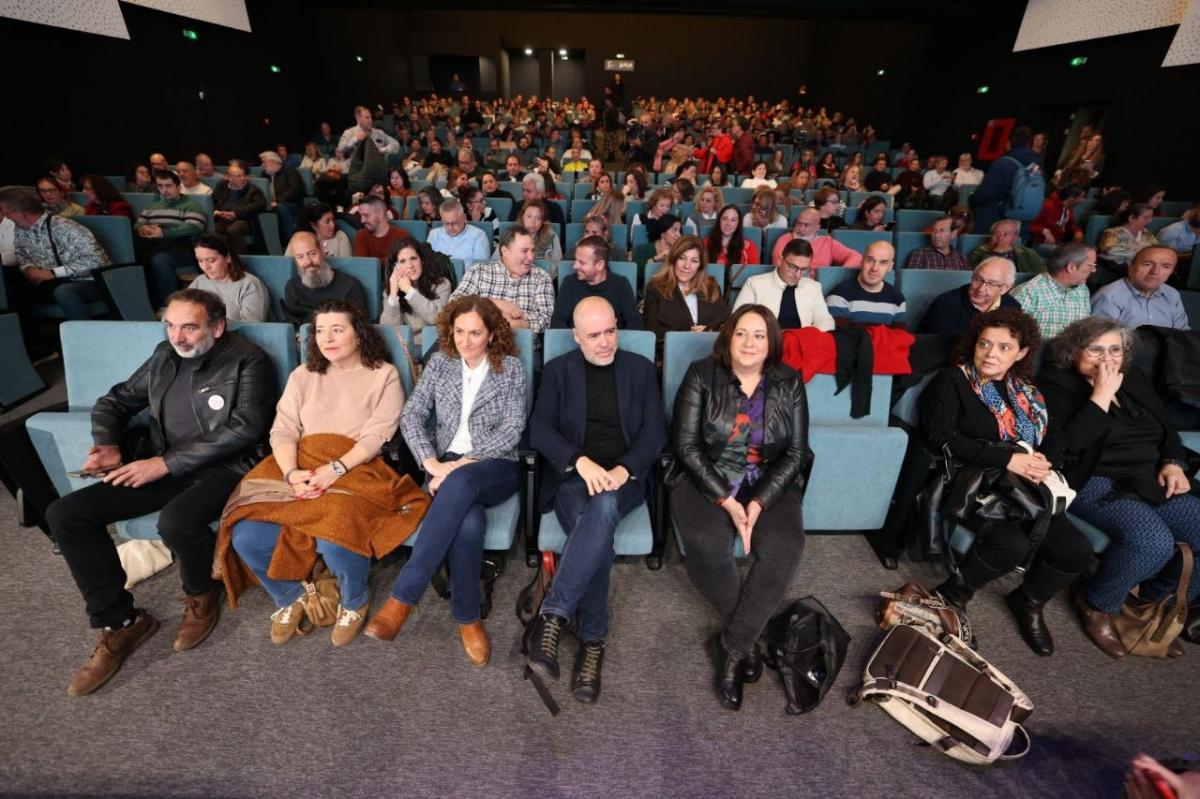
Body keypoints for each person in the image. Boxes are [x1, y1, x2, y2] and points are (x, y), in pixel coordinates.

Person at [44, 288, 277, 695]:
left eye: (189, 327)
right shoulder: (163, 355)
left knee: (177, 521)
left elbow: (245, 430)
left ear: (217, 327)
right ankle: (121, 624)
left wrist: (164, 465)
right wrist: (108, 441)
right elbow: (114, 401)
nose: (178, 336)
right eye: (171, 325)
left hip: (226, 467)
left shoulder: (248, 359)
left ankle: (202, 594)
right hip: (162, 463)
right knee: (66, 514)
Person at [222, 300, 415, 648]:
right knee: (245, 531)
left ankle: (355, 600)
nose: (327, 338)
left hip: (357, 465)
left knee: (335, 532)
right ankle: (290, 596)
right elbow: (282, 431)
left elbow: (377, 434)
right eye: (320, 331)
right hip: (299, 460)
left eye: (337, 329)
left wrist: (335, 469)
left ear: (359, 333)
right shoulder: (302, 375)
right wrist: (293, 472)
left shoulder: (383, 374)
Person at [920, 308, 1092, 655]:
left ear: (1022, 352)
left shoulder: (1026, 390)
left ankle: (1028, 601)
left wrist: (1047, 460)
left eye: (1003, 347)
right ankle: (952, 594)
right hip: (974, 482)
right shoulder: (954, 380)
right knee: (1009, 544)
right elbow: (938, 436)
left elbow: (1054, 435)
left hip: (1025, 485)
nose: (991, 354)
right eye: (985, 344)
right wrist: (1007, 457)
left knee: (1077, 551)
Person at [366, 296, 526, 667]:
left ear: (491, 335)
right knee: (468, 525)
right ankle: (468, 618)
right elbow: (413, 415)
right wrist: (431, 462)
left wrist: (457, 468)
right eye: (458, 332)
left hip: (494, 465)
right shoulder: (440, 362)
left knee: (462, 485)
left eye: (475, 333)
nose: (465, 341)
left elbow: (512, 429)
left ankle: (403, 597)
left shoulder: (511, 368)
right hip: (445, 466)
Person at [669, 304, 812, 709]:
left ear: (771, 345)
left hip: (768, 479)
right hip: (707, 475)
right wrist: (729, 502)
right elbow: (686, 447)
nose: (749, 343)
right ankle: (749, 637)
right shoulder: (702, 374)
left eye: (759, 335)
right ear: (728, 338)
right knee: (706, 543)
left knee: (785, 547)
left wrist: (761, 502)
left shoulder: (789, 382)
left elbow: (796, 452)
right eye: (741, 334)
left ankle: (733, 647)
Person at [525, 297, 667, 703]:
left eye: (611, 331)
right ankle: (592, 642)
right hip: (573, 480)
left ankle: (553, 615)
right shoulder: (558, 371)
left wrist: (624, 469)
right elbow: (539, 429)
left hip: (625, 479)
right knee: (598, 539)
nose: (605, 342)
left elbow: (655, 432)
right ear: (576, 336)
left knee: (604, 507)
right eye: (594, 335)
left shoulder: (640, 370)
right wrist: (579, 461)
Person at [1039, 317, 1200, 660]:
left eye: (1115, 349)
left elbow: (1167, 427)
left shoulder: (1134, 378)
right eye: (1095, 349)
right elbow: (1066, 448)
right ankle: (1098, 602)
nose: (1107, 358)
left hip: (1149, 475)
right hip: (1094, 480)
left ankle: (1147, 605)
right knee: (1153, 541)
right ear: (1074, 351)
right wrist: (1100, 396)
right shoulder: (1056, 384)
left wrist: (1173, 461)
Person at [0, 185, 110, 322]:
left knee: (64, 292)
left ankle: (84, 336)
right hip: (52, 282)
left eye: (7, 213)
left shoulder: (65, 227)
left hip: (89, 281)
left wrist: (53, 273)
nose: (6, 218)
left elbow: (98, 261)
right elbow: (21, 254)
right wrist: (29, 268)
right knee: (10, 288)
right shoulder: (21, 229)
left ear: (20, 213)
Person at [451, 226, 554, 333]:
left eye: (532, 251)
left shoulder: (541, 277)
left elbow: (546, 320)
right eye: (524, 251)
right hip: (475, 343)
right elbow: (454, 304)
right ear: (505, 251)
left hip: (522, 345)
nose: (531, 257)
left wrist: (515, 324)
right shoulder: (478, 271)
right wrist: (493, 303)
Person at [134, 170, 207, 307]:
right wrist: (143, 229)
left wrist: (164, 233)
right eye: (160, 186)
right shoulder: (152, 206)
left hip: (180, 246)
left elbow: (196, 226)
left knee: (159, 260)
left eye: (168, 186)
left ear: (178, 186)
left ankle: (168, 306)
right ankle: (144, 305)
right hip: (154, 243)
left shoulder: (190, 205)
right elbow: (139, 223)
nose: (164, 190)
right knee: (136, 257)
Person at [643, 235, 730, 342]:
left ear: (700, 265)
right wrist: (688, 334)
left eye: (694, 261)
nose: (687, 266)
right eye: (682, 258)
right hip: (672, 352)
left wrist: (708, 330)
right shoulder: (655, 288)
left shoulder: (711, 286)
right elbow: (652, 331)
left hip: (711, 351)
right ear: (674, 259)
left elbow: (726, 323)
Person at [733, 239, 833, 331]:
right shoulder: (754, 284)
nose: (797, 275)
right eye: (793, 267)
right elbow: (738, 319)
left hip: (801, 343)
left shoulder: (813, 288)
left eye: (803, 269)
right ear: (780, 260)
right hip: (766, 344)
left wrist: (804, 337)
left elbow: (826, 321)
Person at [550, 235, 641, 330]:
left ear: (600, 265)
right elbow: (557, 323)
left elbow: (635, 323)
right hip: (576, 343)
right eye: (576, 260)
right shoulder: (569, 283)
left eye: (582, 262)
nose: (575, 266)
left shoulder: (621, 285)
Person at [1091, 245, 1189, 330]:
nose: (1155, 272)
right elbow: (1099, 339)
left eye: (1166, 267)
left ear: (1171, 272)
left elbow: (1182, 334)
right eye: (1148, 264)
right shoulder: (1109, 295)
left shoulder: (1172, 294)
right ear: (1131, 268)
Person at [1010, 242, 1095, 337]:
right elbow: (1014, 336)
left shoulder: (1082, 290)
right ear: (1071, 267)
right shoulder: (1027, 293)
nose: (1094, 270)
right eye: (1091, 266)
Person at [281, 232, 368, 325]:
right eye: (300, 257)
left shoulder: (350, 285)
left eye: (312, 253)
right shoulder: (292, 287)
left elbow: (359, 326)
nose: (308, 261)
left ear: (322, 250)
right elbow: (292, 326)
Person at [919, 257, 1022, 335]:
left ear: (1006, 288)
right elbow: (945, 348)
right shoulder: (946, 304)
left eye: (991, 284)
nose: (980, 289)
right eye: (978, 279)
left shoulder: (1012, 307)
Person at [969, 126, 1042, 232]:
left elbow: (985, 193)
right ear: (1029, 143)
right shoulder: (1038, 165)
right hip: (1022, 221)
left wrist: (971, 200)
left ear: (1009, 143)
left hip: (994, 219)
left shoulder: (1003, 163)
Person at [379, 239, 452, 343]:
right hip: (404, 346)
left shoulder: (441, 284)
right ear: (395, 267)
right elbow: (389, 330)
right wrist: (393, 295)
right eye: (402, 261)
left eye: (413, 258)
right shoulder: (391, 290)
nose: (410, 265)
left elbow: (435, 318)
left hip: (432, 344)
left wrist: (409, 291)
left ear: (421, 260)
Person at [189, 233, 269, 322]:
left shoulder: (249, 285)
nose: (205, 267)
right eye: (200, 261)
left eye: (211, 260)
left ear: (228, 258)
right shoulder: (200, 281)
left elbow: (252, 327)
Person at [825, 241, 906, 328]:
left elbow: (899, 337)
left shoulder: (897, 297)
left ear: (890, 267)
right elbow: (840, 338)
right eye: (870, 260)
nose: (874, 268)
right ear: (862, 261)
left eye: (883, 263)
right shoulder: (839, 295)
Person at [771, 208, 862, 269]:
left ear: (817, 227)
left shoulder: (827, 242)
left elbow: (856, 257)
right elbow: (780, 268)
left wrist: (839, 274)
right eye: (799, 223)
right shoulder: (784, 239)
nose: (801, 229)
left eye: (807, 225)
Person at [211, 164, 266, 255]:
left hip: (243, 220)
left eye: (243, 175)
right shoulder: (221, 186)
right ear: (229, 178)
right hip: (222, 218)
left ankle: (240, 260)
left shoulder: (253, 190)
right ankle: (221, 257)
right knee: (213, 230)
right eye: (238, 176)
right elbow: (212, 202)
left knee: (233, 230)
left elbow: (259, 205)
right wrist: (217, 212)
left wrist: (235, 213)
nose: (243, 178)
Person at [1098, 204, 1160, 277]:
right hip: (1114, 271)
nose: (1150, 221)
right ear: (1131, 218)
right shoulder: (1113, 233)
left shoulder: (1147, 234)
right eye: (1146, 218)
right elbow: (1110, 249)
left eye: (1151, 218)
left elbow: (1158, 250)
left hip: (1140, 270)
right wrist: (1141, 254)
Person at [968, 219, 1046, 273]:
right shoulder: (979, 252)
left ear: (1015, 237)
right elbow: (980, 274)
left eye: (1006, 234)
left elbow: (1042, 273)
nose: (1000, 238)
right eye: (996, 233)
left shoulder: (1029, 253)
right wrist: (997, 253)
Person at [259, 151, 304, 242]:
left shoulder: (289, 171)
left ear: (272, 161)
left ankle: (290, 241)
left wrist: (278, 201)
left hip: (290, 204)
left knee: (281, 208)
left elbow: (296, 189)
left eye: (264, 162)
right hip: (270, 204)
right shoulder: (264, 174)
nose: (262, 165)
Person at [427, 198, 490, 264]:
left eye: (455, 223)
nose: (450, 228)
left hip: (467, 274)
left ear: (464, 218)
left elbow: (481, 268)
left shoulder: (478, 236)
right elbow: (427, 264)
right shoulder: (433, 235)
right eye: (446, 223)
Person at [513, 199, 562, 278]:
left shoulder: (551, 236)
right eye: (529, 216)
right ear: (523, 218)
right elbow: (497, 259)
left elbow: (557, 264)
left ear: (542, 221)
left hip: (542, 279)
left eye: (538, 218)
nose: (533, 221)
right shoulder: (512, 235)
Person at [352, 195, 411, 261]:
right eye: (361, 216)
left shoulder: (401, 235)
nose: (362, 220)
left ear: (380, 214)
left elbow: (402, 263)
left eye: (366, 215)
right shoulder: (361, 235)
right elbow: (362, 264)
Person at [288, 201, 353, 259]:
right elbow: (286, 266)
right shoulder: (298, 239)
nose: (333, 225)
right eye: (327, 222)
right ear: (313, 225)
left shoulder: (340, 237)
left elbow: (347, 267)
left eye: (333, 220)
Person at [1029, 186, 1084, 251]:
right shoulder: (1048, 206)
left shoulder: (1068, 208)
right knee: (1065, 253)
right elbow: (1031, 225)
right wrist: (1046, 232)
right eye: (1079, 198)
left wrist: (1077, 231)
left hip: (1057, 242)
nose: (1081, 200)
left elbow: (1070, 226)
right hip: (1042, 242)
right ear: (1071, 198)